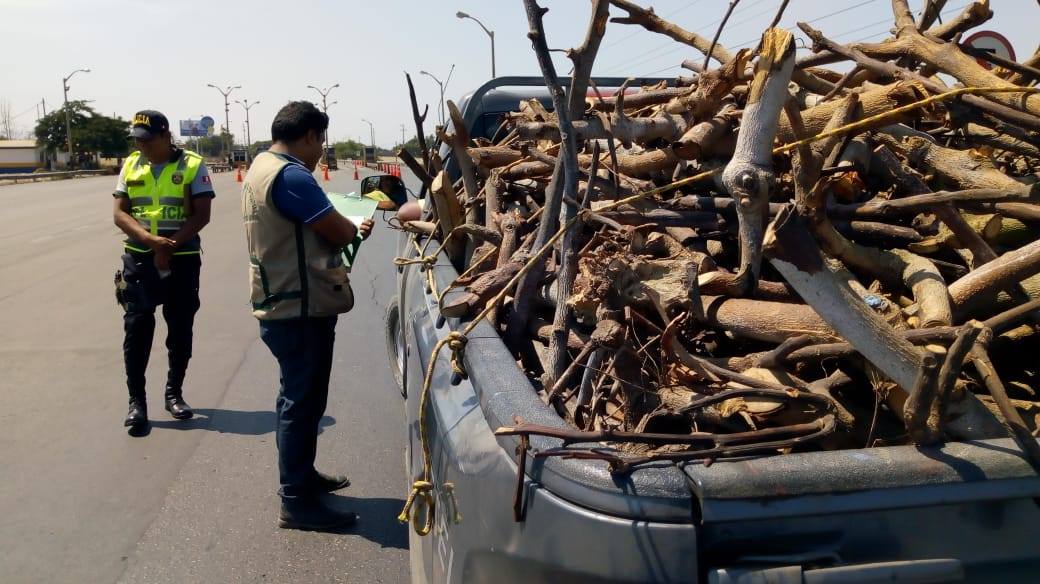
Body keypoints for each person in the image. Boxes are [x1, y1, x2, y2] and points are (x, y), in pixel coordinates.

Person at [241, 101, 374, 530]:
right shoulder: (293, 176)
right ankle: (296, 501)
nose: (321, 152)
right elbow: (339, 231)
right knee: (301, 403)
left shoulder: (261, 166)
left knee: (298, 399)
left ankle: (303, 477)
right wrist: (354, 227)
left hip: (280, 299)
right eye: (321, 142)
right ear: (312, 136)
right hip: (300, 306)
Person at [113, 110, 213, 430]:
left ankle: (174, 393)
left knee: (180, 328)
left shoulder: (193, 165)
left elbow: (202, 214)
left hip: (182, 258)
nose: (141, 146)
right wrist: (150, 242)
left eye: (148, 140)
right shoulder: (131, 164)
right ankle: (136, 402)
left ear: (166, 136)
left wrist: (169, 246)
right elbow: (119, 213)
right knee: (137, 329)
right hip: (140, 258)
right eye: (137, 140)